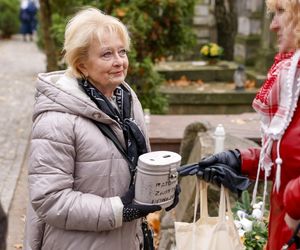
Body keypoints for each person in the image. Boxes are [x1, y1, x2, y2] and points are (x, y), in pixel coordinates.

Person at [23, 7, 179, 250]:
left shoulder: (126, 100)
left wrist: (160, 190)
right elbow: (49, 200)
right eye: (107, 54)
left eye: (122, 51)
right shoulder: (57, 118)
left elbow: (136, 170)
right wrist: (120, 209)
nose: (119, 62)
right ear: (81, 64)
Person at [178, 0, 300, 249]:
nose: (273, 26)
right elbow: (287, 160)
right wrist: (240, 160)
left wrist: (294, 201)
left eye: (281, 13)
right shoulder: (291, 82)